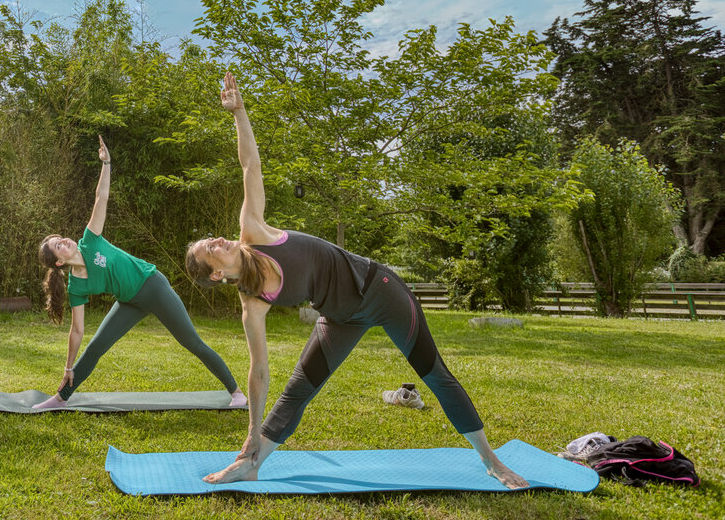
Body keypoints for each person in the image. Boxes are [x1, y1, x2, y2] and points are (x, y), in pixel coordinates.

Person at [183, 73, 527, 488]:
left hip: (380, 292)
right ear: (217, 274)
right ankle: (252, 463)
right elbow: (259, 374)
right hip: (340, 318)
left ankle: (491, 460)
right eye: (211, 249)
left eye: (212, 239)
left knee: (433, 372)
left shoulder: (252, 230)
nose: (218, 240)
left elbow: (249, 165)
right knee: (297, 390)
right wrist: (252, 431)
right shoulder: (252, 302)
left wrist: (239, 113)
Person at [32, 135, 246, 411]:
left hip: (152, 286)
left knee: (192, 342)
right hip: (129, 300)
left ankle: (236, 392)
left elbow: (101, 197)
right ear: (58, 262)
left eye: (60, 238)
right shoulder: (76, 286)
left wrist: (106, 162)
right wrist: (68, 366)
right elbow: (77, 330)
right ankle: (61, 398)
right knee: (97, 346)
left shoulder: (90, 239)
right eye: (57, 246)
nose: (63, 241)